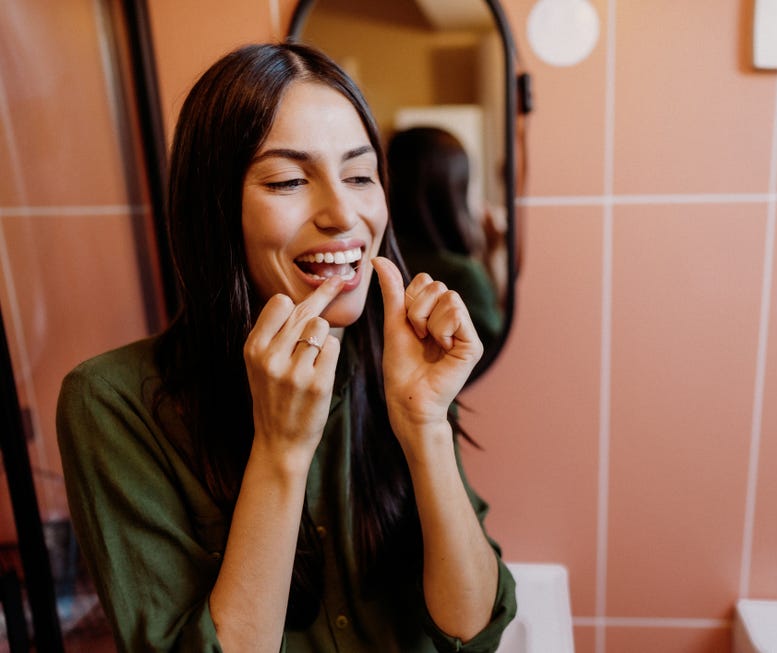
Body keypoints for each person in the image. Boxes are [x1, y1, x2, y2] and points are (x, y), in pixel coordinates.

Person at [56, 42, 516, 652]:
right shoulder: (112, 404)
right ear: (215, 209)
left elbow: (475, 630)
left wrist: (425, 424)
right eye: (289, 180)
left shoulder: (402, 361)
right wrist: (279, 450)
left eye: (359, 175)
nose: (343, 213)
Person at [387, 127, 504, 349]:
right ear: (454, 191)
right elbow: (498, 349)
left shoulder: (382, 261)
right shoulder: (463, 276)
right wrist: (493, 257)